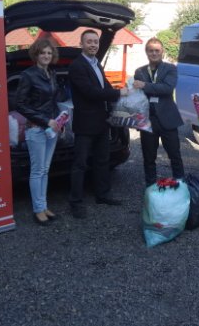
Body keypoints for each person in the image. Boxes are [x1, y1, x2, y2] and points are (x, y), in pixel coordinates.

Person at [68, 29, 128, 219]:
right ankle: (75, 202)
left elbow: (105, 87)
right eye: (89, 42)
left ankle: (102, 194)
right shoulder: (77, 66)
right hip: (85, 124)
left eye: (95, 41)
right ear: (82, 44)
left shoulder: (96, 64)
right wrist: (118, 94)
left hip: (102, 122)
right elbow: (90, 92)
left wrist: (119, 93)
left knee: (103, 160)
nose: (93, 45)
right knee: (80, 164)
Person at [15, 39, 63, 226]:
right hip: (35, 129)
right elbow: (20, 104)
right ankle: (37, 209)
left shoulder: (51, 73)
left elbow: (53, 101)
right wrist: (45, 120)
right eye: (43, 53)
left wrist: (60, 120)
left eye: (49, 53)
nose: (46, 56)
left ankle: (43, 206)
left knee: (45, 170)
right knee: (37, 171)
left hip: (51, 129)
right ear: (36, 54)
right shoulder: (28, 75)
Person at [132, 38, 185, 187]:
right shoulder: (139, 71)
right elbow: (138, 95)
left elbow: (167, 89)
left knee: (174, 155)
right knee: (149, 157)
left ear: (162, 52)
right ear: (146, 52)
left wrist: (144, 85)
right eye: (151, 50)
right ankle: (150, 187)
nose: (154, 53)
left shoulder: (170, 69)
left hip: (168, 118)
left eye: (157, 50)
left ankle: (180, 184)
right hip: (148, 120)